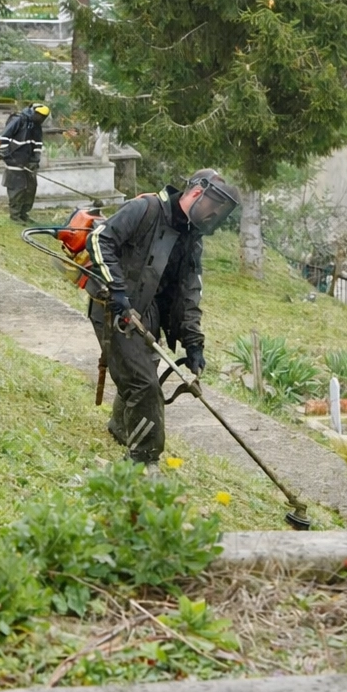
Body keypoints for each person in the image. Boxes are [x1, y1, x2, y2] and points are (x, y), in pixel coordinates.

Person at [85, 169, 241, 470]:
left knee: (143, 373)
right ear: (196, 193)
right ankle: (144, 460)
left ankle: (121, 427)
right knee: (144, 385)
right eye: (212, 207)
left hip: (150, 311)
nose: (213, 216)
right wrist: (117, 291)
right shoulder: (145, 209)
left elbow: (188, 293)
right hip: (115, 307)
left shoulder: (192, 237)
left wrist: (193, 343)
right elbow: (100, 239)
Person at [0, 102, 50, 223]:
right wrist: (7, 155)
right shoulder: (19, 120)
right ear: (33, 112)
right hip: (14, 160)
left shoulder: (36, 125)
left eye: (43, 117)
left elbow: (38, 144)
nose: (41, 119)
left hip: (28, 162)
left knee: (30, 188)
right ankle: (15, 215)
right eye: (39, 116)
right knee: (17, 188)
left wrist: (35, 160)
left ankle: (24, 214)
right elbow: (3, 138)